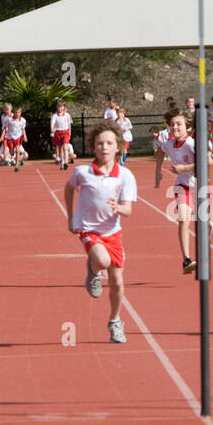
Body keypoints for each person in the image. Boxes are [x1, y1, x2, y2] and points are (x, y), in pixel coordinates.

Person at [65, 121, 137, 344]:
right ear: (93, 147)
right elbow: (68, 188)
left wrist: (118, 208)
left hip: (112, 233)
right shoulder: (82, 172)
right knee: (102, 261)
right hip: (89, 229)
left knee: (117, 282)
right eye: (99, 143)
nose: (104, 147)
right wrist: (70, 216)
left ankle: (115, 321)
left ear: (118, 147)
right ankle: (94, 270)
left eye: (109, 143)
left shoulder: (125, 176)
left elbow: (128, 210)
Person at [160, 108, 213, 274]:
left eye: (179, 124)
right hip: (182, 187)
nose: (175, 127)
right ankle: (186, 260)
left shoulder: (191, 143)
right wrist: (157, 170)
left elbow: (208, 160)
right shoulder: (169, 144)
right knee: (183, 219)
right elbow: (160, 152)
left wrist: (185, 167)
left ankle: (208, 225)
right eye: (172, 124)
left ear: (188, 127)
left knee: (202, 222)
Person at [51, 101, 75, 170]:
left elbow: (69, 125)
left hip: (65, 132)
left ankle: (66, 163)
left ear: (64, 107)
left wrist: (69, 133)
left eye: (61, 107)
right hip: (58, 133)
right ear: (57, 107)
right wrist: (52, 129)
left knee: (65, 147)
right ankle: (62, 163)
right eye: (59, 107)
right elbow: (52, 124)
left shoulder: (67, 115)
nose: (60, 108)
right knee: (60, 149)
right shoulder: (54, 116)